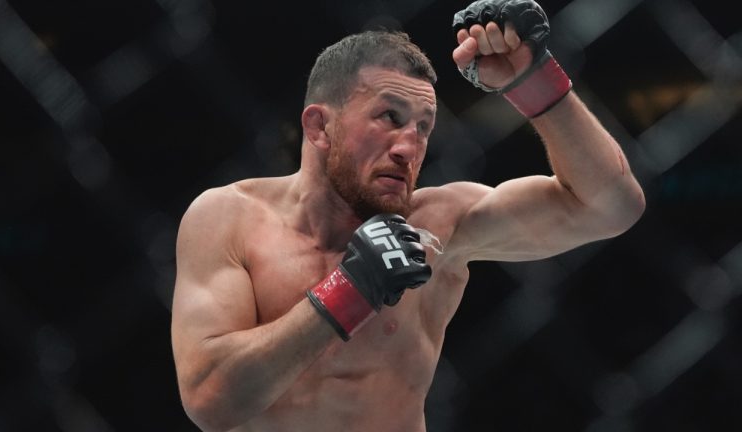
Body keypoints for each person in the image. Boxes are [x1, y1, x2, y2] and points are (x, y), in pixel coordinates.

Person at [170, 0, 646, 431]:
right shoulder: (229, 218)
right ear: (319, 127)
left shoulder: (441, 223)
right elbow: (211, 399)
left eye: (423, 128)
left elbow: (612, 206)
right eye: (390, 118)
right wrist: (352, 289)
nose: (408, 148)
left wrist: (534, 78)